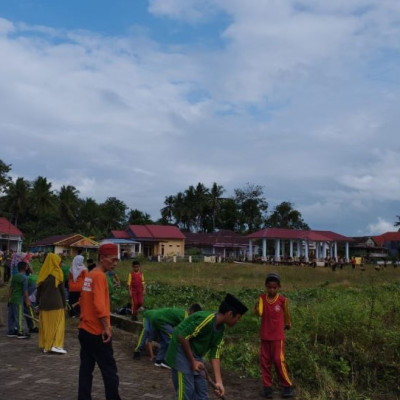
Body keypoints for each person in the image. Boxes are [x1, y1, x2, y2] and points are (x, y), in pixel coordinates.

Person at [165, 293, 248, 400]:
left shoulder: (221, 329)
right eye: (238, 318)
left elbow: (215, 355)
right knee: (186, 391)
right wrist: (193, 361)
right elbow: (182, 337)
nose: (238, 321)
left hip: (195, 354)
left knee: (202, 391)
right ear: (230, 314)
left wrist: (219, 382)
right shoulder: (206, 320)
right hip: (180, 351)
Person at [78, 243, 122, 400]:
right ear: (102, 258)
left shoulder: (90, 275)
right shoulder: (100, 276)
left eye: (117, 260)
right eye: (113, 259)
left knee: (86, 370)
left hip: (84, 329)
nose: (115, 263)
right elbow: (99, 305)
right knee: (109, 371)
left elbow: (83, 300)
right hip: (97, 332)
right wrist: (106, 327)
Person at [254, 273, 294, 398]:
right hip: (265, 336)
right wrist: (256, 307)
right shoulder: (261, 298)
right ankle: (267, 387)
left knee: (278, 360)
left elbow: (287, 314)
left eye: (274, 287)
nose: (272, 290)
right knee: (265, 362)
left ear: (278, 287)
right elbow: (259, 313)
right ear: (266, 287)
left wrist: (288, 324)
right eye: (269, 287)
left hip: (277, 337)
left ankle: (287, 385)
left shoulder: (282, 300)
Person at [151, 304, 202, 368]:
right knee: (173, 340)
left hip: (156, 318)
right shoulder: (185, 317)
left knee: (164, 342)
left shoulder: (182, 313)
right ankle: (167, 362)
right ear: (192, 312)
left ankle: (158, 360)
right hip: (161, 320)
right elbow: (183, 331)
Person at [36, 253, 67, 354]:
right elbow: (62, 291)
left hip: (44, 305)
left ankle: (46, 346)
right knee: (58, 325)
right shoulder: (58, 273)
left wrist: (37, 304)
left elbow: (38, 292)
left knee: (46, 326)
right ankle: (56, 345)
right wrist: (65, 304)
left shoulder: (42, 273)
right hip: (57, 304)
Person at [7, 261, 30, 339]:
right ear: (25, 268)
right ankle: (20, 332)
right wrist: (27, 301)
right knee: (19, 316)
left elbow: (11, 288)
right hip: (18, 299)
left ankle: (11, 331)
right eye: (27, 266)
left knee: (12, 316)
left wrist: (8, 298)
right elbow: (25, 291)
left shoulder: (15, 276)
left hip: (12, 299)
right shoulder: (24, 277)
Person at [69, 251, 88, 317]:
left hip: (72, 287)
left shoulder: (71, 269)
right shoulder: (83, 269)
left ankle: (72, 314)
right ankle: (79, 313)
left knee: (72, 300)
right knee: (80, 300)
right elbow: (86, 278)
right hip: (80, 287)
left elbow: (70, 278)